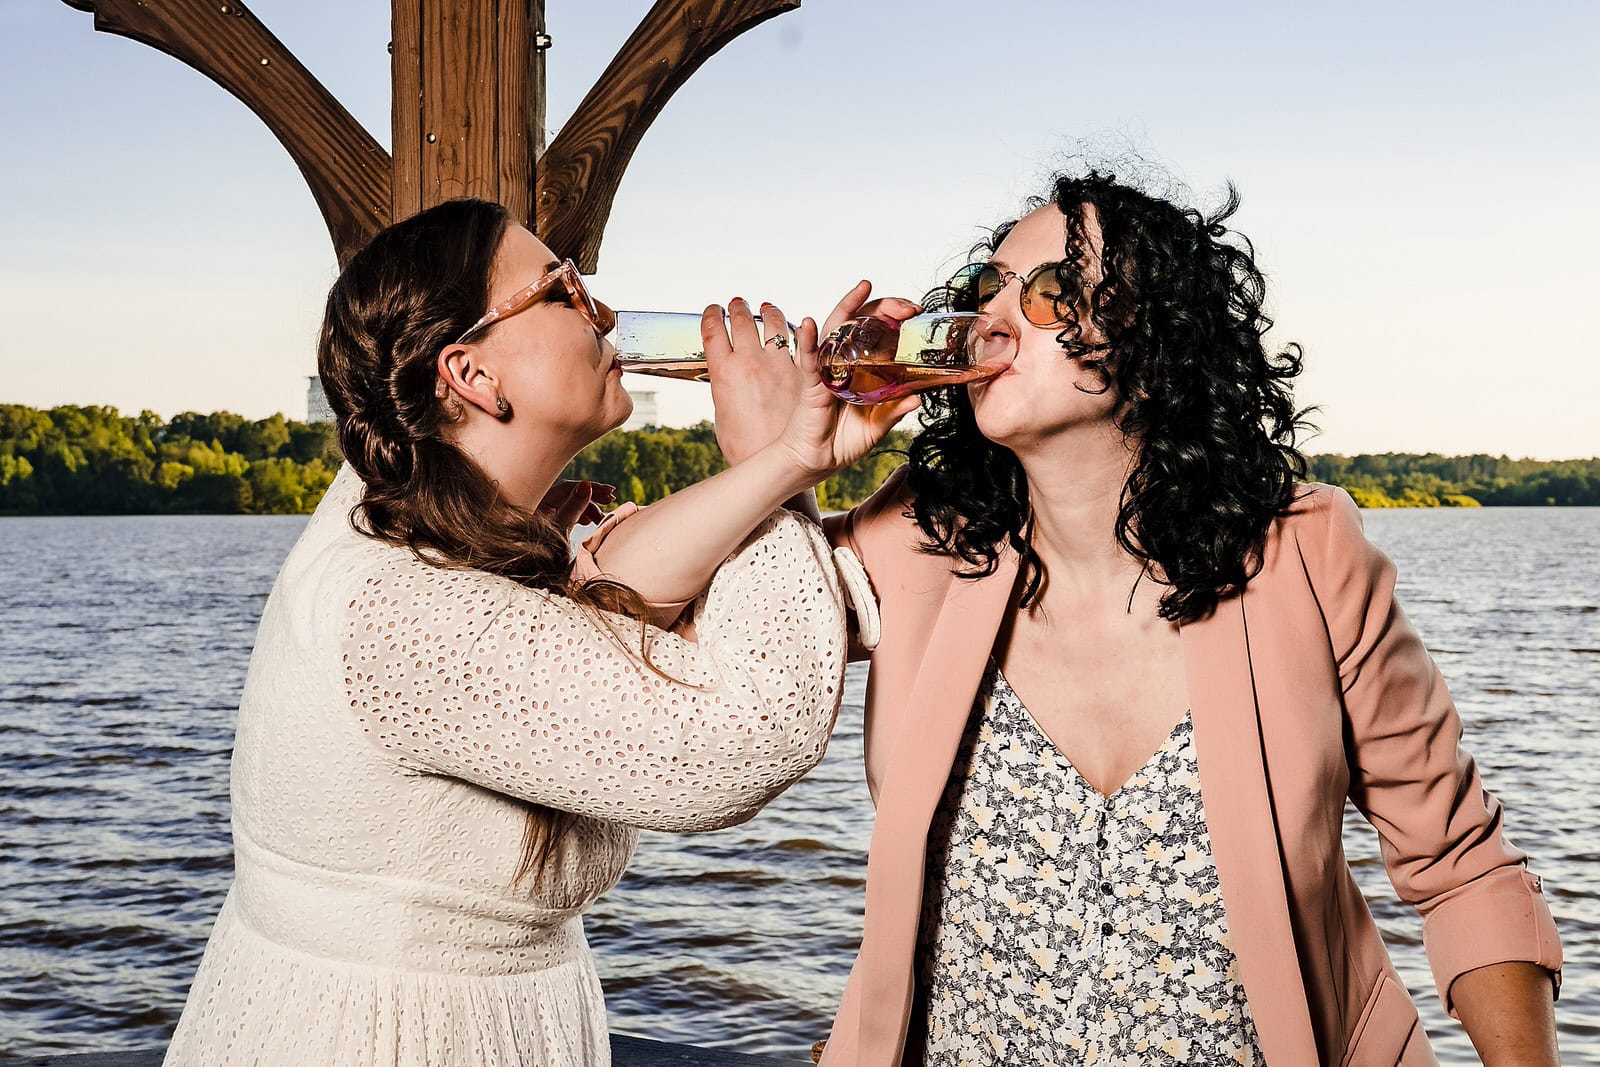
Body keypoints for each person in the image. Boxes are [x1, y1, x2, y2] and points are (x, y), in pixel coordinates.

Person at [709, 170, 1564, 1066]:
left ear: (1157, 350)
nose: (991, 319)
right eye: (983, 290)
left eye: (1051, 294)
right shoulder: (923, 539)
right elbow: (674, 626)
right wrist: (779, 466)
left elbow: (1464, 865)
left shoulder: (1308, 553)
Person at [161, 197, 919, 1066]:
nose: (599, 310)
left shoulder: (415, 506)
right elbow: (743, 738)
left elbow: (606, 589)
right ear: (472, 374)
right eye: (560, 291)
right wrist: (771, 458)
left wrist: (794, 448)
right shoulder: (398, 614)